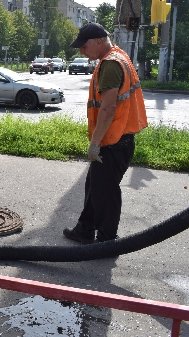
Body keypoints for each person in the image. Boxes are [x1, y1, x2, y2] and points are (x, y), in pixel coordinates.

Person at [63, 22, 148, 244]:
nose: (81, 50)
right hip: (118, 140)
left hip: (113, 142)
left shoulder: (110, 64)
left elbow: (109, 108)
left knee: (106, 194)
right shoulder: (118, 55)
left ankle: (107, 241)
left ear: (98, 42)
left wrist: (95, 143)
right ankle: (84, 229)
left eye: (84, 46)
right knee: (94, 186)